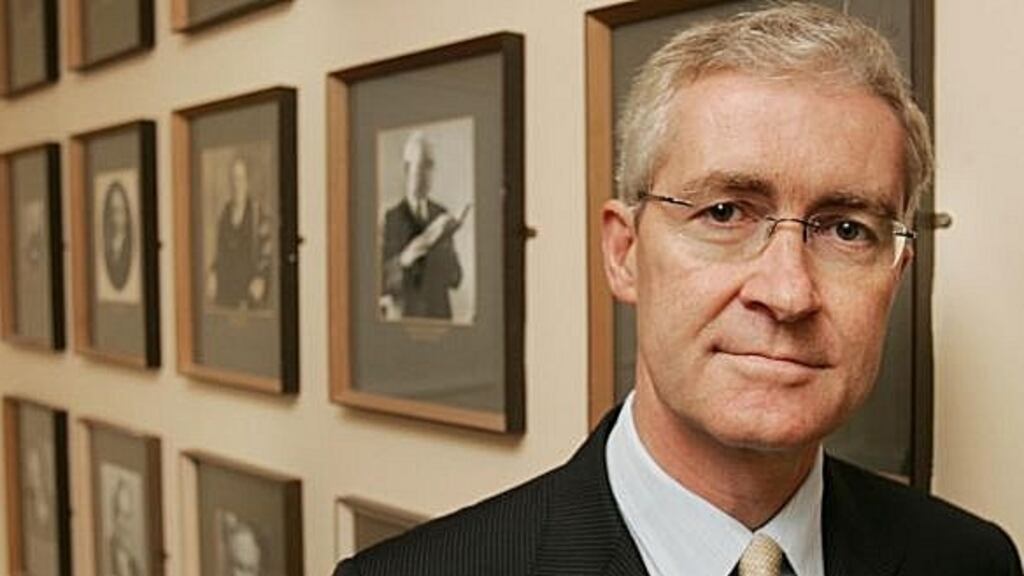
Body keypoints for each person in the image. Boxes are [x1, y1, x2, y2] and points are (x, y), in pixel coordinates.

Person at [335, 4, 1022, 576]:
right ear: (625, 253)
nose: (787, 293)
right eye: (724, 212)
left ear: (894, 277)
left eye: (845, 229)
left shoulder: (971, 562)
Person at [379, 131, 468, 321]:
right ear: (406, 168)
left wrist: (443, 241)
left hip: (440, 324)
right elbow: (381, 282)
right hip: (404, 326)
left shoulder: (442, 215)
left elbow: (456, 279)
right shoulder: (389, 218)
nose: (427, 174)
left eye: (431, 166)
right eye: (422, 165)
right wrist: (408, 256)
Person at [206, 156, 273, 310]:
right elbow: (220, 252)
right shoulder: (225, 213)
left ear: (247, 181)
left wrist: (261, 278)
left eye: (240, 178)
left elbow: (267, 251)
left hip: (248, 292)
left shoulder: (257, 213)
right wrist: (213, 273)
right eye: (234, 179)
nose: (237, 184)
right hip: (226, 292)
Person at [102, 181, 134, 293]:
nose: (116, 218)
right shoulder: (107, 245)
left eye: (120, 211)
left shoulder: (129, 247)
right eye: (113, 211)